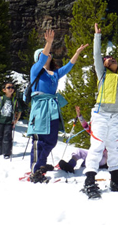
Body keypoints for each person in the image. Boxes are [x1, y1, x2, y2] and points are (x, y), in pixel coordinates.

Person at [27, 28, 88, 183]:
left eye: (49, 53)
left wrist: (77, 53)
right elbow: (41, 60)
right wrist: (49, 43)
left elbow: (68, 67)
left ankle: (40, 164)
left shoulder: (54, 73)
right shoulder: (36, 70)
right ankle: (37, 168)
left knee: (52, 140)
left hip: (52, 108)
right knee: (40, 139)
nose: (48, 55)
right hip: (40, 108)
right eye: (44, 54)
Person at [81, 23, 118, 199]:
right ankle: (89, 182)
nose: (111, 59)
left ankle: (116, 181)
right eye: (108, 59)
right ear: (103, 64)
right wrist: (97, 36)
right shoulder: (102, 74)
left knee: (115, 148)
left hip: (116, 116)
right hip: (101, 114)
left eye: (113, 58)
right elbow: (96, 55)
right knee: (96, 146)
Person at [58, 106, 108, 173]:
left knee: (86, 162)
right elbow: (85, 126)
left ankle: (86, 166)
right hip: (94, 154)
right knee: (78, 151)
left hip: (103, 158)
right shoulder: (95, 131)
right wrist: (79, 115)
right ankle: (70, 166)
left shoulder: (106, 133)